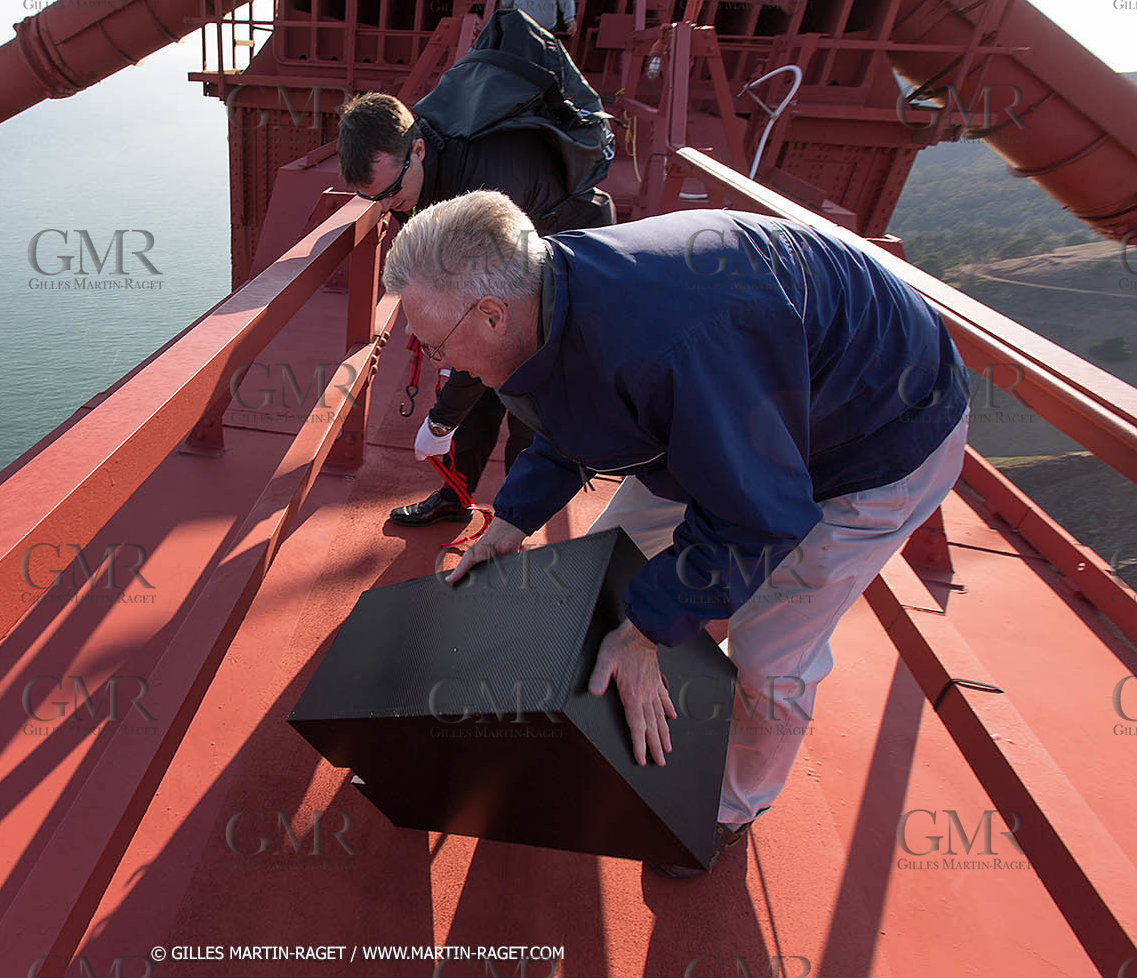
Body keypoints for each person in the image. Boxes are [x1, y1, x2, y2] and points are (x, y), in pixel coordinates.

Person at [383, 190, 971, 877]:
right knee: (603, 566)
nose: (437, 365)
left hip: (873, 440)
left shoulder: (669, 342)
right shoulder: (548, 293)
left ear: (490, 312)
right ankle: (594, 711)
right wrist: (507, 525)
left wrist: (643, 631)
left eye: (435, 344)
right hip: (744, 406)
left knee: (769, 649)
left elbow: (759, 512)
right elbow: (570, 417)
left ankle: (729, 807)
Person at [338, 91, 610, 528]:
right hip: (509, 262)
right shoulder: (422, 174)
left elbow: (480, 330)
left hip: (561, 256)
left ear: (419, 150)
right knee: (479, 390)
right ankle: (456, 495)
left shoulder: (483, 181)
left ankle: (513, 523)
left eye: (390, 192)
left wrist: (441, 420)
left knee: (523, 394)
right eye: (374, 199)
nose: (386, 208)